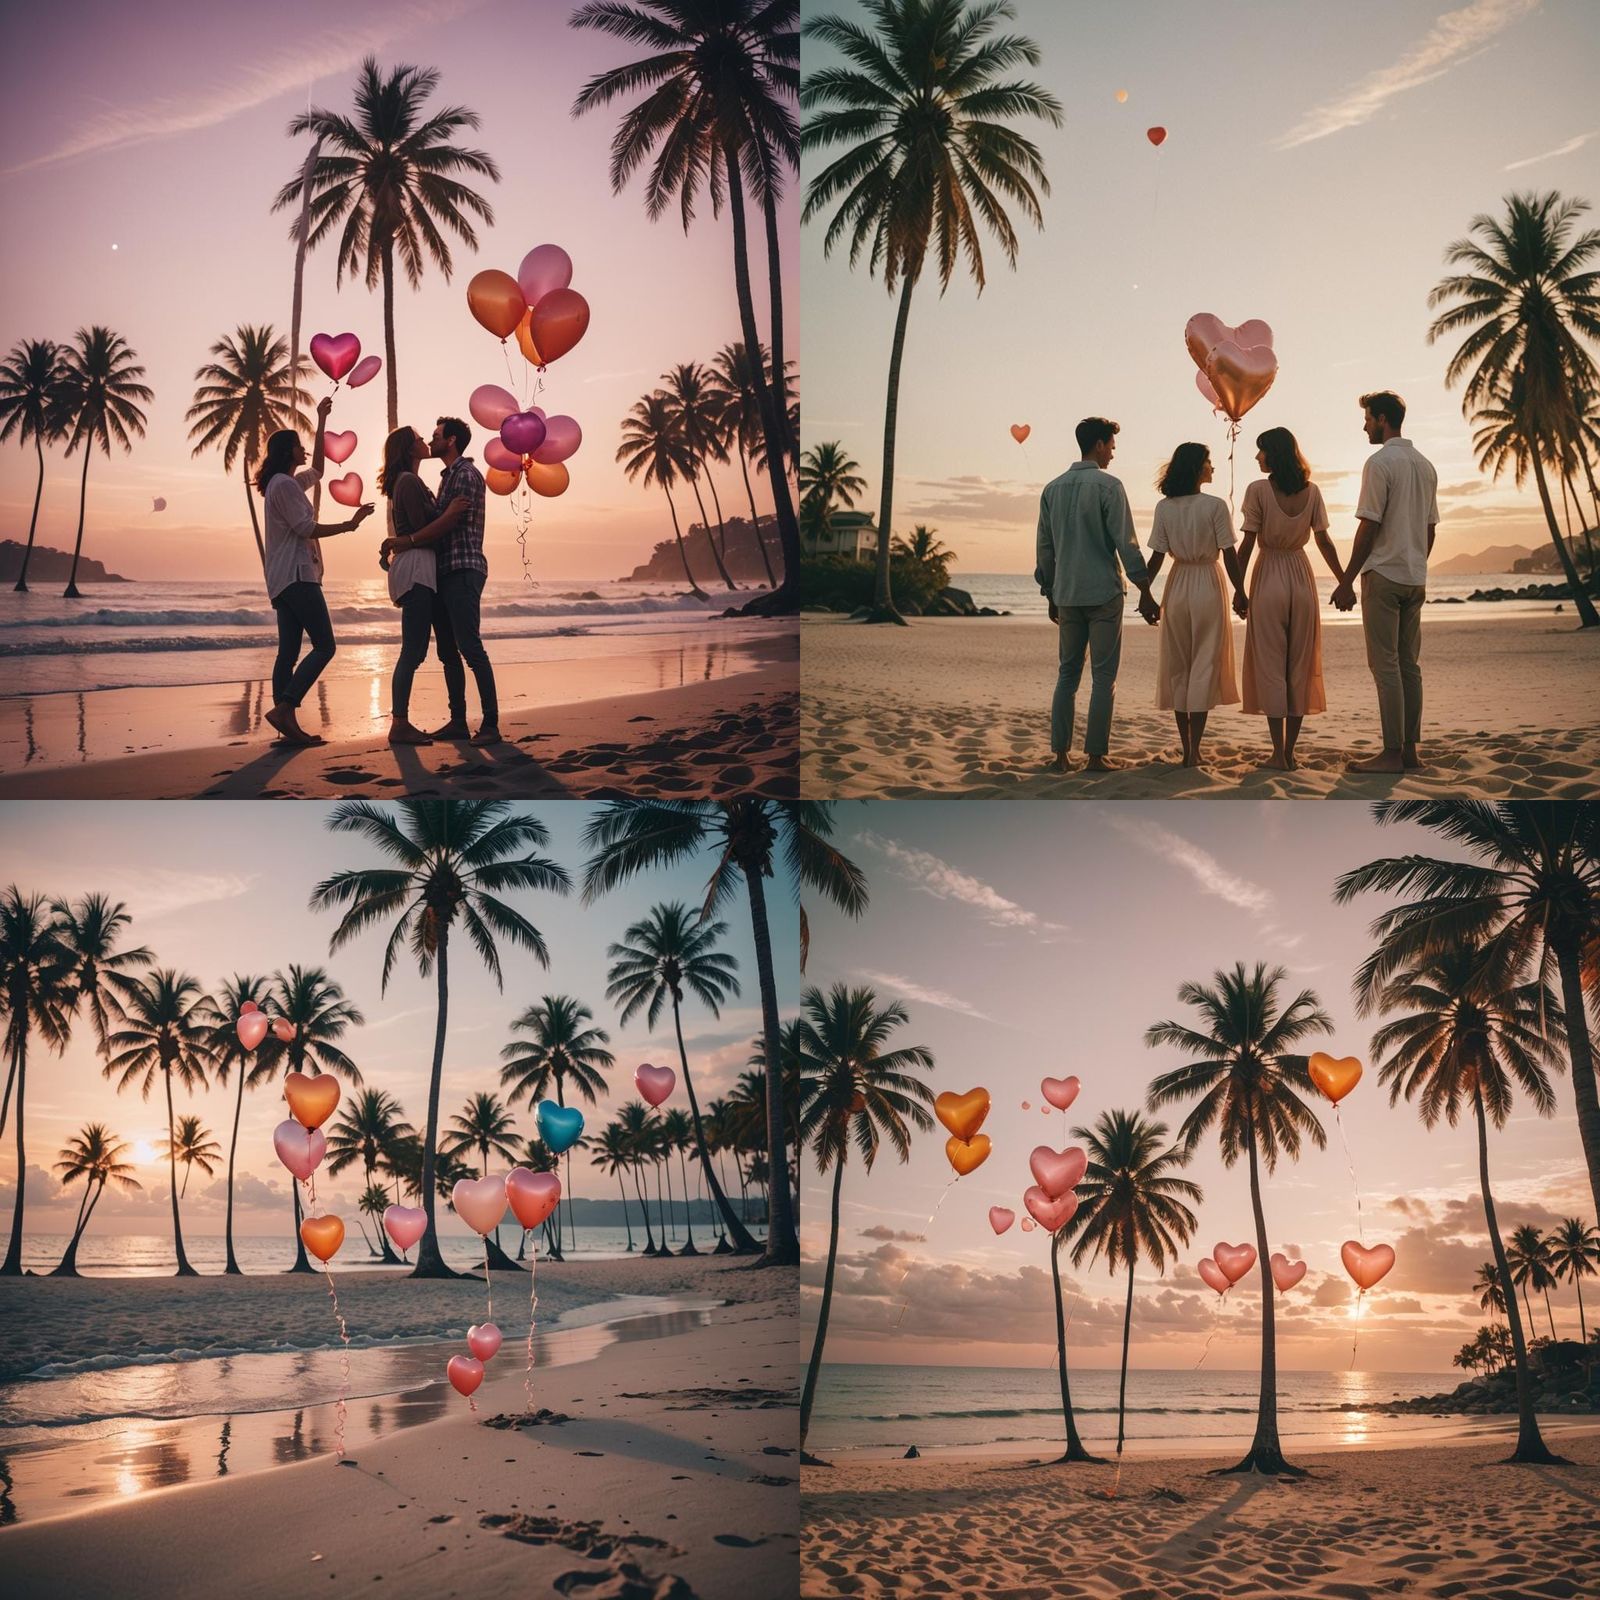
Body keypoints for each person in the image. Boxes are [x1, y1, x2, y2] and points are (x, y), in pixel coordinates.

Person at [1034, 416, 1160, 772]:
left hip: (1068, 593)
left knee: (1067, 674)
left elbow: (1045, 548)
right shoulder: (1109, 486)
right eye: (1112, 447)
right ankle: (1094, 756)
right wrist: (1145, 589)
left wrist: (1050, 592)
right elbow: (1126, 543)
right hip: (1104, 592)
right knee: (1104, 678)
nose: (1113, 455)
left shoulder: (1052, 489)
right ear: (1100, 445)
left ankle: (1060, 755)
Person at [1332, 390, 1438, 773]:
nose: (1364, 426)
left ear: (1382, 419)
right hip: (1414, 577)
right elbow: (1430, 531)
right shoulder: (1425, 465)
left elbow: (1369, 526)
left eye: (1367, 418)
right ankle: (1410, 753)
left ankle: (1392, 754)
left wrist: (1346, 580)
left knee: (1386, 667)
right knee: (1410, 666)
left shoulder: (1380, 463)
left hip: (1384, 576)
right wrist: (1415, 564)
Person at [257, 394, 374, 745]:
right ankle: (286, 708)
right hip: (297, 576)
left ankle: (285, 723)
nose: (303, 449)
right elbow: (306, 529)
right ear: (287, 451)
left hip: (281, 580)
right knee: (325, 645)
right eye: (298, 445)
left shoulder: (284, 483)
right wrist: (348, 525)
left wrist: (321, 419)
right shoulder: (285, 485)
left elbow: (320, 471)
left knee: (288, 653)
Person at [383, 416, 499, 745]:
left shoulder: (464, 474)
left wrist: (407, 541)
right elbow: (435, 520)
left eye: (435, 436)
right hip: (442, 573)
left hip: (462, 568)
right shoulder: (445, 479)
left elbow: (444, 525)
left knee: (470, 648)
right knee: (448, 652)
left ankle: (490, 723)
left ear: (451, 441)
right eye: (427, 437)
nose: (431, 441)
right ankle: (458, 721)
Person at [1238, 427, 1343, 770]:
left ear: (1274, 453)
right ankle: (1291, 753)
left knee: (1271, 666)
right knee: (1299, 665)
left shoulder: (1257, 491)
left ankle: (1277, 753)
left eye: (1261, 451)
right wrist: (1344, 581)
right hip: (1301, 575)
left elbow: (1248, 543)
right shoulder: (1311, 492)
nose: (1257, 457)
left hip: (1269, 574)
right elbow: (1324, 542)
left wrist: (1238, 588)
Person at [1144, 442, 1246, 768]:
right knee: (1203, 663)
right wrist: (1240, 591)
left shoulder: (1165, 507)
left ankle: (1187, 746)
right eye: (1209, 462)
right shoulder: (1215, 506)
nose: (1213, 467)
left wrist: (1146, 594)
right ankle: (1194, 751)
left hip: (1177, 584)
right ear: (1196, 468)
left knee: (1179, 665)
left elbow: (1157, 557)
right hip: (1208, 582)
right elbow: (1229, 552)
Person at [375, 425, 460, 746]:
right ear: (410, 449)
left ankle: (411, 721)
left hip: (422, 570)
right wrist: (450, 513)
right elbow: (425, 528)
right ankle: (399, 723)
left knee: (423, 649)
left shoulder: (410, 481)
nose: (425, 442)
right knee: (413, 650)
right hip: (415, 572)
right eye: (420, 439)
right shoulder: (408, 481)